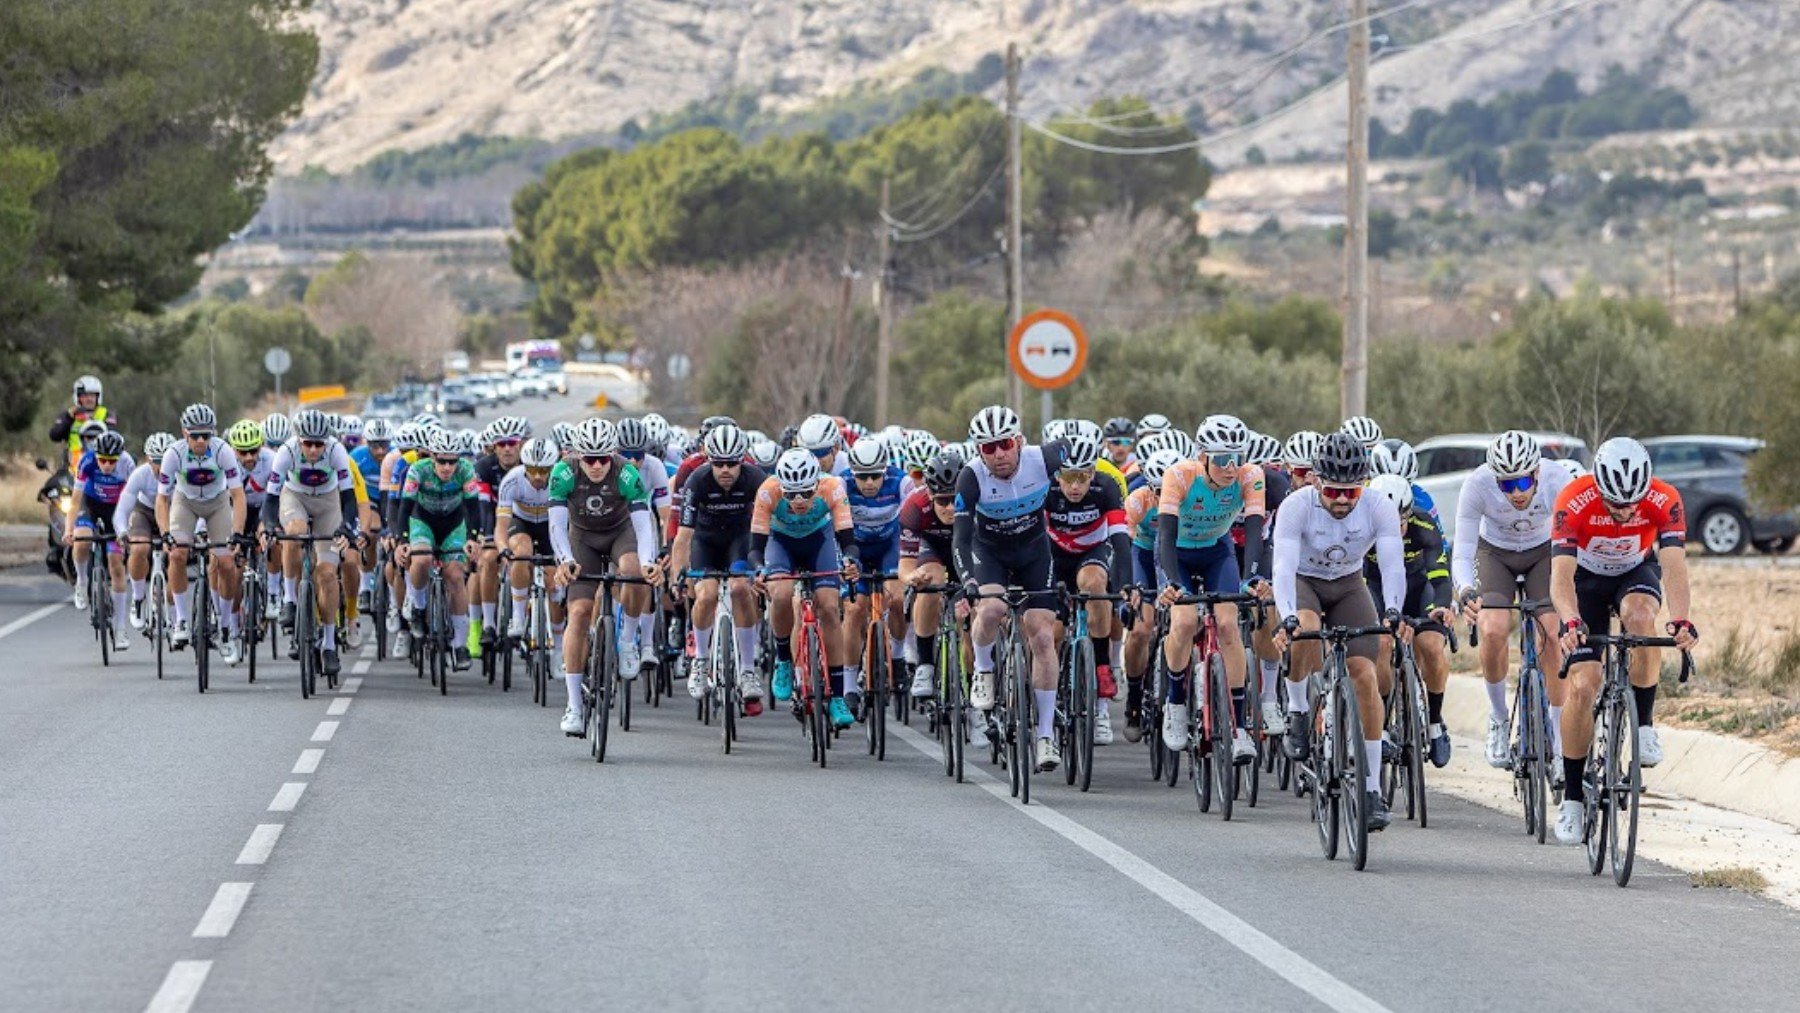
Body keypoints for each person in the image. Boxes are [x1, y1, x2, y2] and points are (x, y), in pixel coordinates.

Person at [1549, 437, 1696, 845]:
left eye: (1633, 503)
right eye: (1616, 504)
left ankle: (1644, 725)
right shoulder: (1573, 500)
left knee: (1642, 619)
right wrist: (1569, 620)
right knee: (1582, 684)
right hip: (1584, 582)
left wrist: (1682, 619)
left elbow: (1674, 568)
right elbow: (1560, 577)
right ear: (1598, 487)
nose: (1626, 511)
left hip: (1634, 572)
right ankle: (1574, 799)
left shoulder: (1665, 500)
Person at [1267, 432, 1407, 833]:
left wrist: (1393, 611)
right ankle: (1297, 710)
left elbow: (1393, 566)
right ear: (1315, 482)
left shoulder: (1377, 506)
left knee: (1364, 673)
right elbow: (1282, 568)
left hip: (1348, 583)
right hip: (1304, 581)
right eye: (1333, 491)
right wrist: (1288, 617)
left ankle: (1370, 789)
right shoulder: (1296, 507)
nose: (1343, 500)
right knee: (1307, 632)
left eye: (1352, 491)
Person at [953, 405, 1071, 772]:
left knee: (1042, 636)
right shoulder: (970, 478)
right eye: (988, 448)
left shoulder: (1044, 458)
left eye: (1004, 444)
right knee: (990, 610)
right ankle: (985, 672)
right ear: (977, 451)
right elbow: (960, 538)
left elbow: (1075, 450)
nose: (999, 454)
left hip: (1035, 553)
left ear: (1019, 441)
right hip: (989, 553)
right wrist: (969, 582)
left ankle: (1046, 735)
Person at [1452, 431, 1573, 771]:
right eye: (1507, 485)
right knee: (1492, 629)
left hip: (1543, 551)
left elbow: (1573, 543)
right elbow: (1462, 550)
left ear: (1536, 472)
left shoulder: (1557, 480)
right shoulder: (1477, 485)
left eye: (1522, 482)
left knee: (1551, 631)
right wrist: (1464, 591)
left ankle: (1557, 729)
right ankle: (1499, 719)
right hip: (1495, 554)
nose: (1516, 493)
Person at [1154, 415, 1264, 762]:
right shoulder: (1180, 475)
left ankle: (1239, 727)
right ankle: (1174, 702)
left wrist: (1252, 578)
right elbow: (1167, 537)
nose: (1231, 468)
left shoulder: (1251, 476)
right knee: (1185, 622)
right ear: (1203, 456)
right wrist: (1172, 583)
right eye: (1221, 459)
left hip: (1218, 551)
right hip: (1179, 555)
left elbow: (1256, 532)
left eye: (1238, 457)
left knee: (1230, 625)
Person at [549, 419, 661, 737]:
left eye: (603, 459)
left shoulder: (626, 472)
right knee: (580, 613)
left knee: (633, 570)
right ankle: (574, 705)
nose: (597, 466)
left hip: (619, 533)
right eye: (589, 459)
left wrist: (649, 562)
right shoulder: (563, 472)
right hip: (581, 539)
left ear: (612, 454)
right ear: (578, 455)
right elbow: (556, 525)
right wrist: (565, 560)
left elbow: (643, 524)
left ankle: (627, 641)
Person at [752, 448, 859, 728]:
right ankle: (784, 659)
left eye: (806, 493)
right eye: (791, 494)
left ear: (817, 485)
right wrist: (758, 570)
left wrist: (850, 561)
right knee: (782, 593)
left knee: (829, 607)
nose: (798, 501)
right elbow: (756, 547)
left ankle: (836, 695)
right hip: (781, 544)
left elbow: (847, 538)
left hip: (819, 542)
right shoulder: (767, 491)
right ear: (781, 488)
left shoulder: (833, 487)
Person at [666, 425, 766, 710]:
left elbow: (768, 528)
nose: (725, 470)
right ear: (708, 460)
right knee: (706, 594)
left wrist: (764, 568)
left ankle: (747, 670)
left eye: (732, 463)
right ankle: (700, 661)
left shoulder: (755, 479)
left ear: (742, 460)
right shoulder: (697, 481)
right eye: (718, 463)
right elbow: (683, 537)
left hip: (739, 540)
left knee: (739, 589)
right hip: (705, 541)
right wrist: (677, 575)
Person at [1044, 427, 1131, 746]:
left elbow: (1121, 540)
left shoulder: (1107, 487)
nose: (1076, 485)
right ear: (1057, 476)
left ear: (1093, 472)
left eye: (1083, 477)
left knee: (1096, 586)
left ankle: (1100, 699)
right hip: (1054, 555)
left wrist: (1125, 586)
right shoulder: (1044, 490)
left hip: (1092, 552)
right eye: (1069, 477)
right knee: (1050, 631)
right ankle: (1046, 702)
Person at [265, 409, 359, 677]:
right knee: (294, 531)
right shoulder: (286, 452)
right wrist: (271, 527)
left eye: (320, 444)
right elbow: (271, 500)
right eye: (309, 443)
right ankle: (290, 598)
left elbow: (349, 498)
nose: (315, 450)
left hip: (329, 502)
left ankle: (329, 644)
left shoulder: (337, 452)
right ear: (299, 441)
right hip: (295, 497)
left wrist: (345, 527)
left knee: (328, 574)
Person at [156, 404, 246, 651]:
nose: (200, 441)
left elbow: (238, 496)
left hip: (217, 504)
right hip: (185, 503)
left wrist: (236, 532)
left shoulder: (223, 451)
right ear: (185, 433)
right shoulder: (174, 454)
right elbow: (162, 499)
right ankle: (182, 621)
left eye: (206, 435)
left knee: (226, 563)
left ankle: (226, 625)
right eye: (194, 435)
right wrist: (165, 533)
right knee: (177, 554)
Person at [842, 438, 908, 707]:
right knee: (855, 609)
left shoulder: (901, 482)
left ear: (885, 471)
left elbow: (911, 524)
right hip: (855, 547)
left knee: (897, 598)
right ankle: (848, 685)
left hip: (889, 546)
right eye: (862, 477)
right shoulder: (841, 485)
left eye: (875, 476)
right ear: (852, 473)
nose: (869, 483)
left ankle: (899, 657)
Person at [69, 430, 135, 650]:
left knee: (116, 563)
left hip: (115, 509)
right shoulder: (86, 462)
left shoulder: (127, 464)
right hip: (91, 506)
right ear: (96, 456)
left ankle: (120, 628)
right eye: (103, 460)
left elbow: (133, 501)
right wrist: (69, 530)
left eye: (111, 461)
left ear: (120, 457)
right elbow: (75, 500)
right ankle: (81, 581)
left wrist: (128, 530)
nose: (107, 465)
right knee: (82, 541)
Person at [49, 375, 121, 470]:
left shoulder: (106, 414)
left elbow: (113, 436)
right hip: (72, 466)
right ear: (78, 397)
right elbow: (54, 435)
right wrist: (69, 418)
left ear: (98, 397)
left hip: (101, 465)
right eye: (85, 395)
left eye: (92, 395)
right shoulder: (69, 414)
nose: (89, 399)